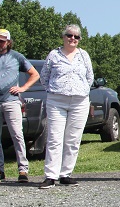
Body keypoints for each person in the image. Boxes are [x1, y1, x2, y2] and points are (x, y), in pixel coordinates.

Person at [0, 28, 39, 184]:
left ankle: (23, 170)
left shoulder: (16, 57)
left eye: (2, 41)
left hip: (12, 101)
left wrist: (23, 88)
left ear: (8, 42)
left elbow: (35, 74)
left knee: (17, 134)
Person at [39, 24, 94, 188]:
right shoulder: (54, 55)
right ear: (63, 37)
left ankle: (66, 174)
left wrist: (81, 90)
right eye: (70, 35)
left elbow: (89, 77)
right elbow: (44, 77)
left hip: (79, 101)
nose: (73, 39)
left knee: (73, 139)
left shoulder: (84, 56)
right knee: (55, 138)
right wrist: (54, 91)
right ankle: (50, 176)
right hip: (57, 101)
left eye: (76, 37)